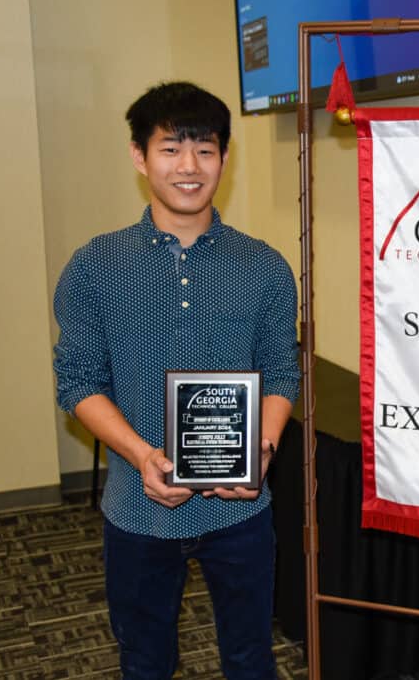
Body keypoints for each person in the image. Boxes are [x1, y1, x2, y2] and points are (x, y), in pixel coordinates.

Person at [53, 81, 299, 679]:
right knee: (145, 662)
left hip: (240, 512)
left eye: (205, 149)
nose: (189, 166)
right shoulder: (94, 266)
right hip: (137, 511)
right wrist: (140, 456)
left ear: (224, 158)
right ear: (140, 157)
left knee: (249, 659)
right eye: (170, 148)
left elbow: (282, 374)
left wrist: (260, 452)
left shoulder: (264, 266)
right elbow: (77, 381)